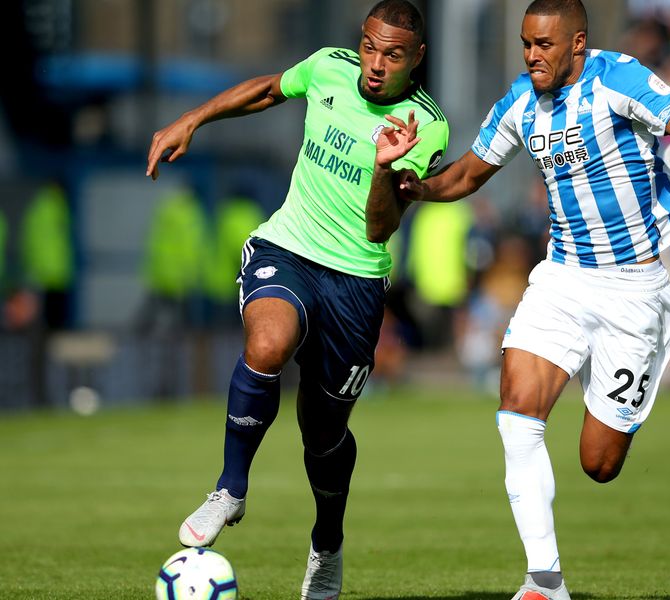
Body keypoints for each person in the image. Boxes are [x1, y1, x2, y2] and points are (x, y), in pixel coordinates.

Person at [371, 1, 670, 599]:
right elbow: (469, 174)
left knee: (599, 464)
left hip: (633, 292)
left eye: (544, 45)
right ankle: (543, 580)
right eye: (526, 44)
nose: (531, 55)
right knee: (517, 412)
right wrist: (416, 186)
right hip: (563, 279)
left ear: (577, 44)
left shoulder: (618, 78)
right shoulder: (521, 100)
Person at [145, 2, 447, 598]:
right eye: (369, 46)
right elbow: (266, 90)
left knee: (324, 435)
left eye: (392, 54)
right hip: (289, 246)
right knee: (267, 342)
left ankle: (327, 543)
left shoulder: (425, 125)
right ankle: (231, 488)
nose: (375, 63)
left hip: (356, 283)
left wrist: (386, 169)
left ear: (417, 58)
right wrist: (193, 119)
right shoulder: (329, 67)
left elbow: (381, 229)